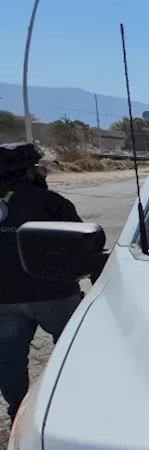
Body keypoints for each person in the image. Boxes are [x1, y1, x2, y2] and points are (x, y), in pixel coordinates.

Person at [0, 143, 85, 420]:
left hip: (6, 301)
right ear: (29, 171)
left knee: (9, 360)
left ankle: (18, 414)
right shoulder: (51, 202)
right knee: (77, 351)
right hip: (56, 295)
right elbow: (84, 246)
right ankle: (76, 405)